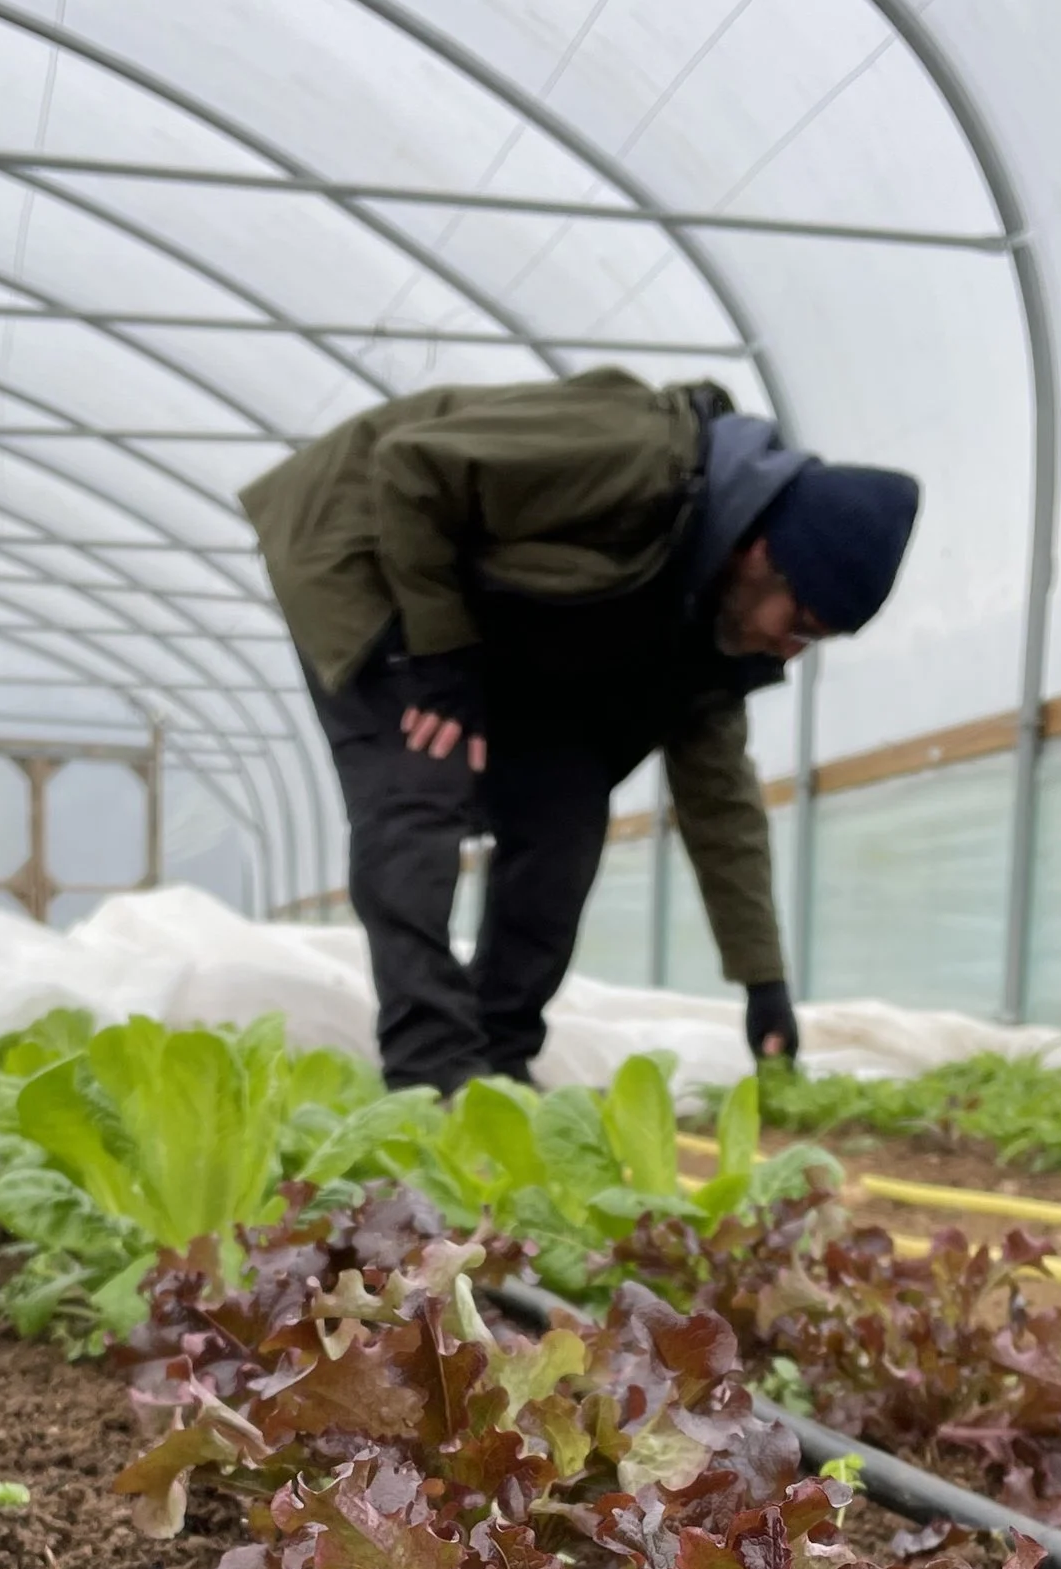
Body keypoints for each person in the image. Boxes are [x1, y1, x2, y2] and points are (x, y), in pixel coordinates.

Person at [241, 367, 919, 1093]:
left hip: (489, 614)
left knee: (565, 807)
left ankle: (499, 1055)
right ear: (762, 555)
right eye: (802, 624)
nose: (790, 650)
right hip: (367, 540)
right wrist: (443, 659)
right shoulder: (638, 455)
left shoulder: (705, 630)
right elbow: (411, 466)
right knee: (421, 774)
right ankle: (430, 1066)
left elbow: (721, 806)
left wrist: (763, 980)